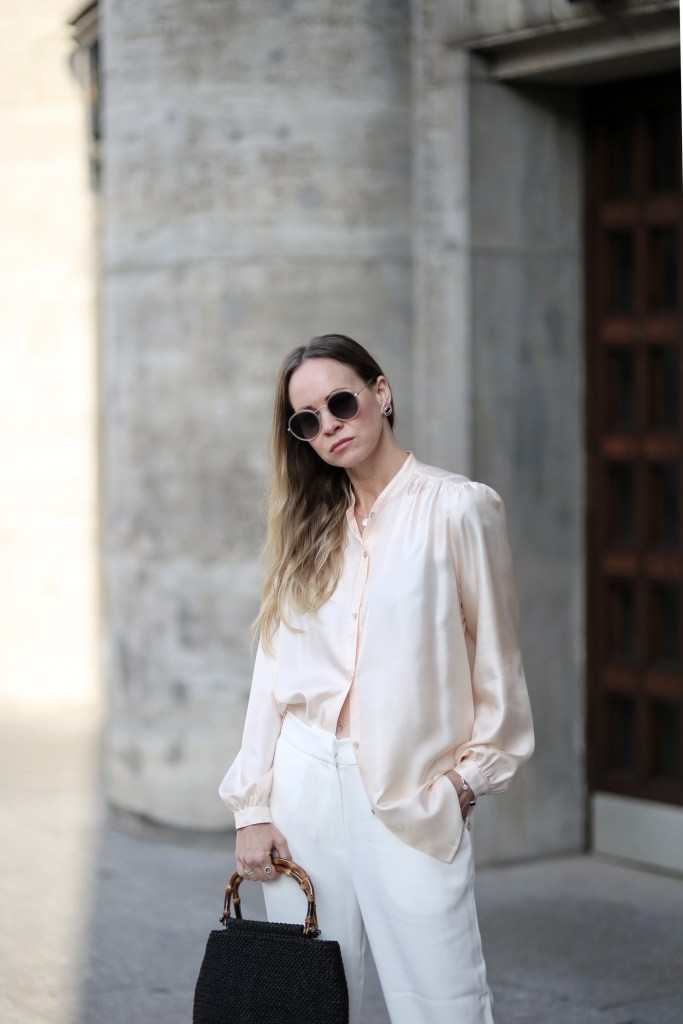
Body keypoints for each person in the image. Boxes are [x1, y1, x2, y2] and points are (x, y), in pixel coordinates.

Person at [220, 333, 534, 1024]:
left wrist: (465, 783)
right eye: (307, 420)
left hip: (409, 787)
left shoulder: (459, 508)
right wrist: (254, 808)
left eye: (341, 402)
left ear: (381, 393)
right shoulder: (307, 527)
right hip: (301, 784)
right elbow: (272, 674)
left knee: (442, 1002)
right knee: (304, 1004)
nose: (329, 425)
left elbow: (498, 664)